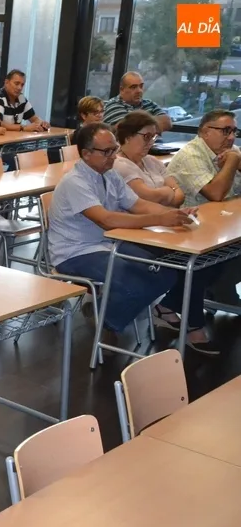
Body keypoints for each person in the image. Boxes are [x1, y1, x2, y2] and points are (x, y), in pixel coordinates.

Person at [48, 123, 215, 354]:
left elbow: (137, 204)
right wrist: (160, 219)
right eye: (106, 152)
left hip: (109, 244)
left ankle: (108, 313)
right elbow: (106, 220)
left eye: (114, 149)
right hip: (75, 253)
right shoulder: (75, 182)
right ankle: (107, 321)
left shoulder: (110, 174)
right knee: (139, 281)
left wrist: (171, 214)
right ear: (86, 154)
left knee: (166, 272)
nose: (113, 156)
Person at [167, 110, 241, 306]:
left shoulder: (232, 151)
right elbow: (215, 194)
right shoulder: (191, 154)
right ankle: (214, 288)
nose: (231, 137)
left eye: (234, 131)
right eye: (225, 131)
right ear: (204, 131)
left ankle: (221, 287)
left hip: (222, 224)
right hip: (190, 228)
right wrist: (233, 162)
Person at [112, 111, 184, 206]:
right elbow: (150, 196)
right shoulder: (118, 164)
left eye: (154, 137)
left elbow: (180, 194)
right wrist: (169, 191)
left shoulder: (152, 161)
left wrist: (165, 200)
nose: (151, 142)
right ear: (128, 137)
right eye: (147, 137)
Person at [102, 72, 172, 131]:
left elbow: (167, 122)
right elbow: (127, 130)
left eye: (141, 86)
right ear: (122, 90)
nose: (139, 91)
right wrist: (153, 121)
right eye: (133, 87)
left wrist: (138, 122)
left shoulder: (149, 103)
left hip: (156, 143)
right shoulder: (114, 105)